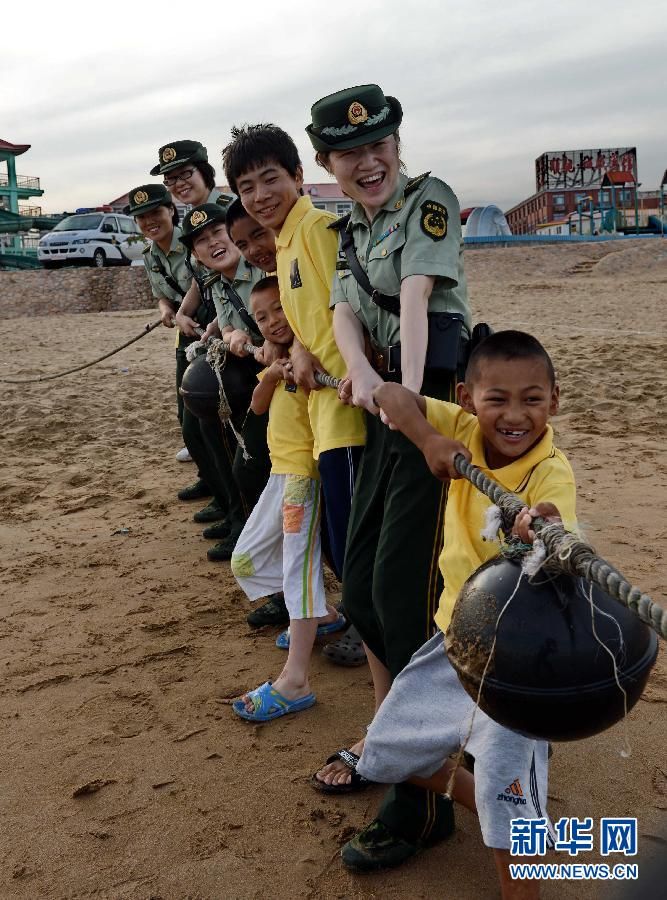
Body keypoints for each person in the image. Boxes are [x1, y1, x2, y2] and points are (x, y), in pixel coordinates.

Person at [343, 330, 577, 899]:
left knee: (508, 817)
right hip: (453, 639)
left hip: (516, 659)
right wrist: (427, 438)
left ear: (554, 400)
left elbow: (554, 519)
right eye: (497, 399)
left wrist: (535, 523)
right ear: (468, 399)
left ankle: (518, 831)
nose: (515, 415)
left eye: (532, 399)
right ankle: (514, 809)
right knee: (385, 752)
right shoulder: (460, 428)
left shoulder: (552, 471)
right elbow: (393, 396)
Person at [306, 84, 471, 854]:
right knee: (364, 588)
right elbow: (345, 310)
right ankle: (425, 739)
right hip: (385, 407)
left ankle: (424, 795)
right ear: (328, 164)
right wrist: (363, 380)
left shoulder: (425, 199)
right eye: (349, 153)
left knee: (400, 595)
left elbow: (414, 296)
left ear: (397, 147)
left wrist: (399, 393)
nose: (368, 163)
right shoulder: (347, 229)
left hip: (428, 403)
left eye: (379, 146)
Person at [222, 124, 367, 666]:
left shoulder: (317, 229)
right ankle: (359, 622)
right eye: (247, 188)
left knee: (352, 544)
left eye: (271, 179)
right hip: (323, 418)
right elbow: (310, 318)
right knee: (339, 541)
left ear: (300, 176)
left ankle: (375, 637)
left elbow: (351, 307)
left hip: (347, 410)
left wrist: (316, 353)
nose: (260, 196)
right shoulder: (285, 241)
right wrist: (298, 348)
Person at [231, 277, 346, 721]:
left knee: (299, 570)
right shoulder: (277, 363)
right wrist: (272, 372)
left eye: (279, 309)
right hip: (280, 475)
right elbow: (257, 407)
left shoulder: (312, 356)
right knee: (245, 558)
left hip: (304, 478)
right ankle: (324, 614)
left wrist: (296, 361)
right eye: (261, 317)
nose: (272, 321)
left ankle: (294, 680)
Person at [124, 183, 230, 527]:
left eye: (155, 212)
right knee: (187, 419)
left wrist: (194, 317)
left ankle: (228, 499)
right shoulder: (152, 254)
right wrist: (168, 309)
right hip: (186, 339)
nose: (149, 222)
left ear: (171, 210)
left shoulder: (194, 241)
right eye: (142, 217)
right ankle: (212, 483)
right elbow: (162, 294)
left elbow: (211, 284)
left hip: (215, 332)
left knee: (208, 420)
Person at [149, 140, 232, 526]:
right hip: (207, 332)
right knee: (198, 427)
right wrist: (182, 312)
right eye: (172, 179)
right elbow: (204, 277)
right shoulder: (191, 220)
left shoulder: (231, 211)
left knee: (225, 433)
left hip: (239, 333)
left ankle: (239, 515)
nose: (179, 184)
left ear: (204, 172)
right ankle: (228, 503)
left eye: (185, 174)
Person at [179, 202, 265, 562]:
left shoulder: (263, 269)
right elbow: (229, 323)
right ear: (196, 255)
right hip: (254, 376)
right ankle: (240, 523)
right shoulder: (217, 281)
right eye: (201, 240)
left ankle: (251, 536)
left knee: (253, 466)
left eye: (217, 232)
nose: (212, 242)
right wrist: (228, 334)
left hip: (281, 379)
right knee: (207, 429)